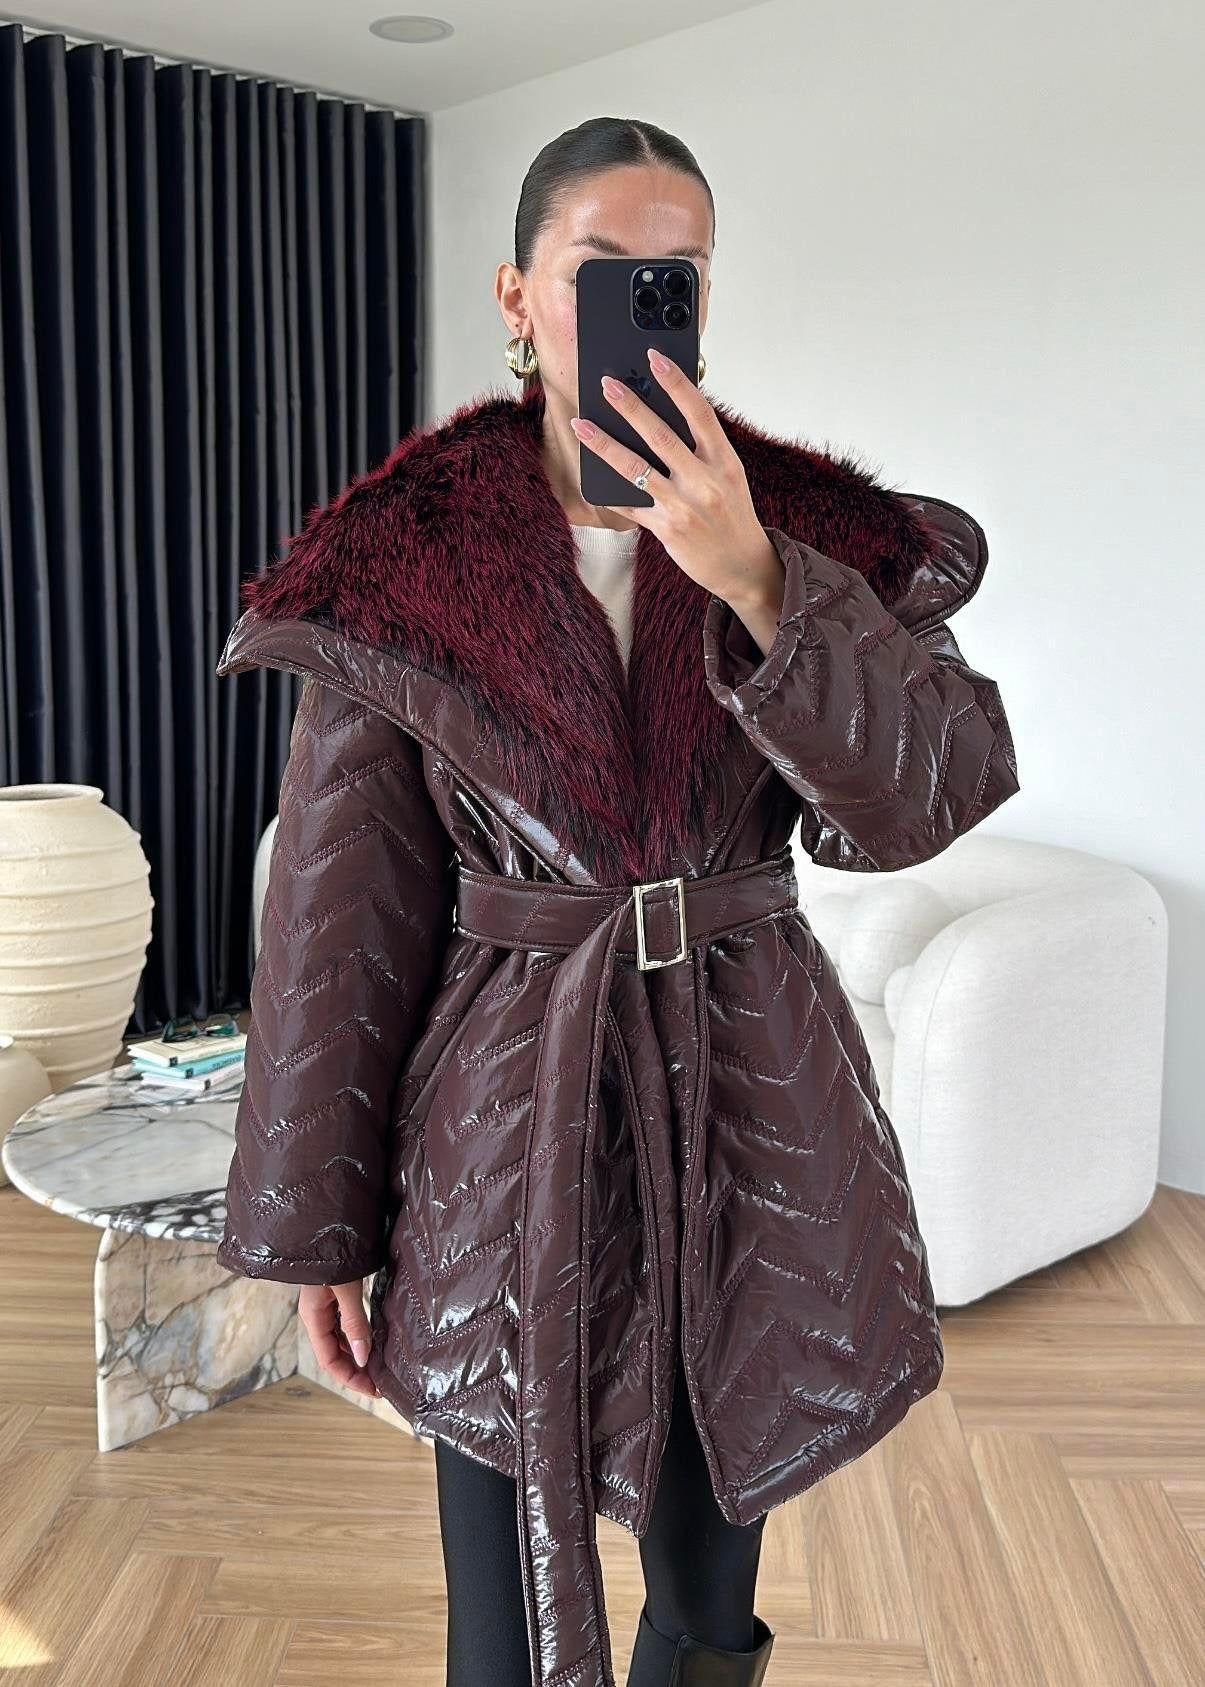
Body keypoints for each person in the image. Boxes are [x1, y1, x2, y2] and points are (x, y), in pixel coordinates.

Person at [213, 117, 1020, 1687]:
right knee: (503, 1626)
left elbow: (924, 801)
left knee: (708, 1609)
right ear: (517, 295)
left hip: (749, 1113)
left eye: (678, 272)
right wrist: (318, 1225)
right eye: (602, 266)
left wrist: (762, 584)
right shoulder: (400, 562)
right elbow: (337, 922)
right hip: (500, 1140)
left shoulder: (808, 528)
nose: (644, 299)